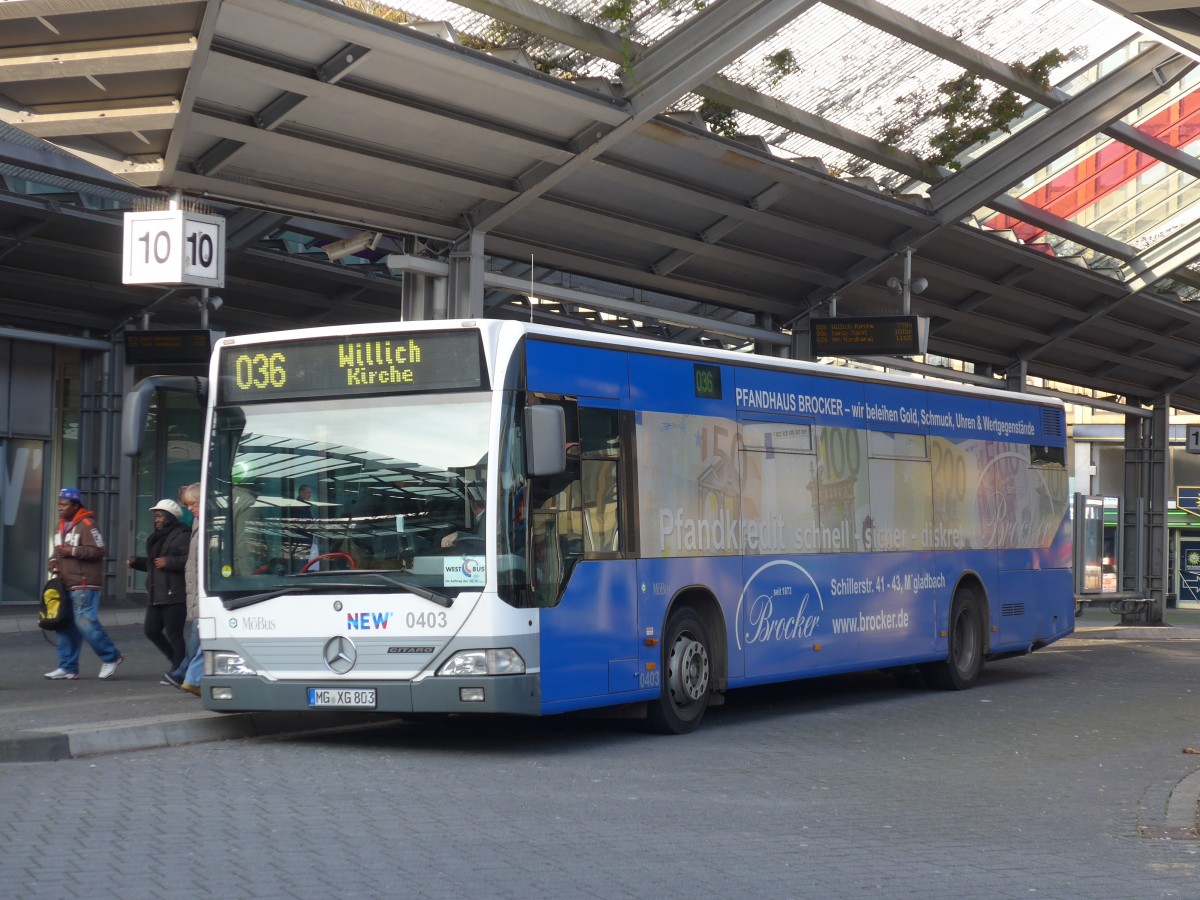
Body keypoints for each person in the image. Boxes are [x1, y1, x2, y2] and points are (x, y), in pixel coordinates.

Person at [44, 487, 124, 680]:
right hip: (66, 583)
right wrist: (54, 561)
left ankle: (111, 656)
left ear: (75, 504)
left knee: (85, 622)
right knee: (65, 625)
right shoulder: (60, 525)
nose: (60, 508)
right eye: (59, 504)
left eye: (64, 504)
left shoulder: (87, 524)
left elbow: (99, 550)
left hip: (84, 583)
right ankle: (68, 667)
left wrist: (72, 552)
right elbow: (58, 551)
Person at [128, 498, 191, 672]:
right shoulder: (156, 538)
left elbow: (191, 561)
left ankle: (179, 669)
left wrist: (169, 562)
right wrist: (136, 562)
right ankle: (177, 661)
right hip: (156, 594)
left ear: (170, 517)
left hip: (174, 594)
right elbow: (154, 564)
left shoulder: (183, 534)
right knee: (151, 631)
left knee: (174, 635)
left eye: (160, 516)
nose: (156, 520)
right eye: (155, 516)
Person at [163, 484, 202, 692]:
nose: (190, 509)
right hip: (197, 592)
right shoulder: (198, 522)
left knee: (200, 637)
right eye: (187, 505)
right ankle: (188, 674)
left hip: (203, 593)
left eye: (192, 504)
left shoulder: (207, 523)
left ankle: (187, 674)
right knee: (200, 636)